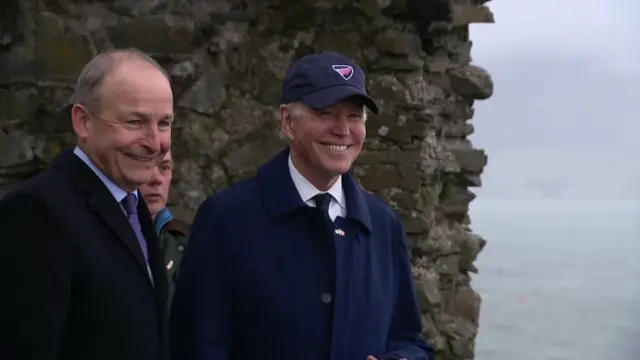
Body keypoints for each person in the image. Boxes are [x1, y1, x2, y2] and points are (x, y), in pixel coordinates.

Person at [170, 51, 433, 360]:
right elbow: (195, 347)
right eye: (326, 113)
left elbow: (407, 339)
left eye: (354, 116)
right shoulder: (226, 220)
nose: (343, 130)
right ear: (288, 122)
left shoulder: (384, 225)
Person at [0, 48, 174, 360]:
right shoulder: (37, 213)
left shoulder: (133, 207)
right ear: (82, 122)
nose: (154, 141)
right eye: (135, 121)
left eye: (164, 123)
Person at [139, 150, 190, 309]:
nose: (156, 179)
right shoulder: (94, 237)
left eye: (164, 167)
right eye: (144, 165)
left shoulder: (189, 241)